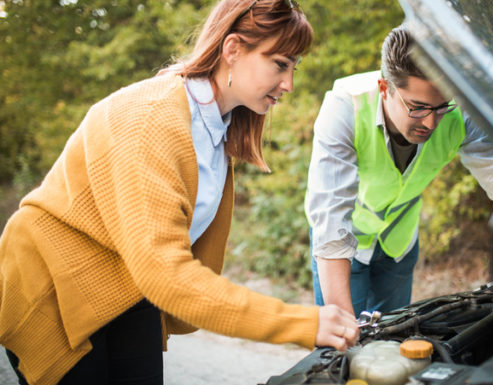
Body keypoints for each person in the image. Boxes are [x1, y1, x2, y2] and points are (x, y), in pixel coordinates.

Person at [0, 1, 360, 384]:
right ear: (233, 49)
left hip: (129, 285)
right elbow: (166, 274)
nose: (289, 84)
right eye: (280, 64)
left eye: (294, 68)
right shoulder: (152, 120)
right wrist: (302, 322)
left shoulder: (218, 126)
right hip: (59, 287)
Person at [305, 25, 493, 329]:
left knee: (391, 339)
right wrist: (340, 335)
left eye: (442, 107)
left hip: (398, 244)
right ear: (384, 88)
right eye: (417, 108)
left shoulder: (461, 113)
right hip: (340, 245)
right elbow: (332, 223)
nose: (431, 123)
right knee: (342, 346)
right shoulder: (343, 108)